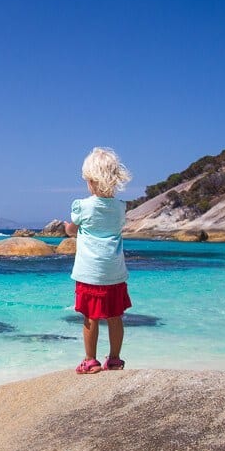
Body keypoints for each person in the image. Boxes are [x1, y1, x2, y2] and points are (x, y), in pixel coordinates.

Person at [64, 147, 133, 374]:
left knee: (90, 317)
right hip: (114, 272)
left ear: (91, 181)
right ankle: (114, 359)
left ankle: (90, 360)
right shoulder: (120, 207)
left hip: (90, 272)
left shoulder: (83, 206)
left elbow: (72, 230)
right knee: (115, 316)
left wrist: (68, 228)